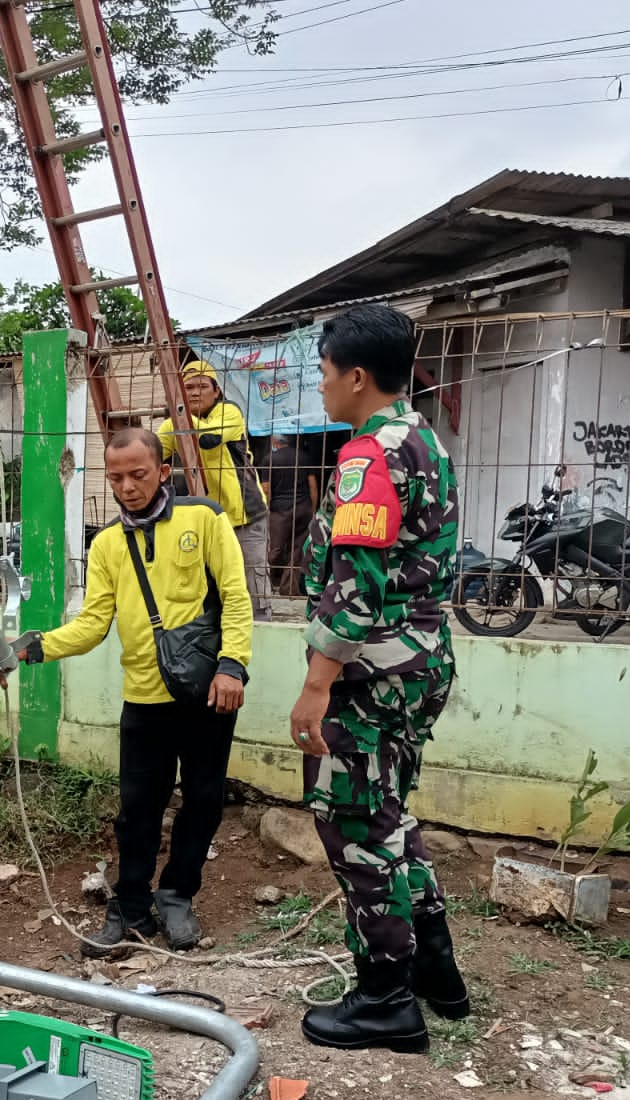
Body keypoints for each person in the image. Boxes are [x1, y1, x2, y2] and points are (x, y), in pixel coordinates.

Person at [287, 304, 466, 1055]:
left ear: (357, 377)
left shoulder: (370, 454)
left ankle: (385, 997)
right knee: (389, 812)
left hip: (371, 673)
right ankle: (436, 971)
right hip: (420, 660)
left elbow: (357, 583)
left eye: (324, 374)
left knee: (357, 823)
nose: (321, 389)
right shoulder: (426, 439)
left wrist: (318, 681)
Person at [17, 427, 252, 955]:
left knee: (204, 800)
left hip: (207, 692)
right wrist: (33, 648)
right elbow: (94, 623)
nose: (126, 486)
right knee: (136, 809)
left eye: (138, 474)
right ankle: (130, 906)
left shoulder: (205, 520)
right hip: (144, 696)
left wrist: (232, 665)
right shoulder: (106, 544)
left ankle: (176, 895)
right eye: (116, 477)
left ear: (162, 471)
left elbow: (237, 597)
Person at [157, 360, 274, 622]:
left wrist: (175, 421)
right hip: (206, 519)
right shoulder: (174, 424)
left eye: (201, 386)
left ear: (217, 391)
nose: (194, 392)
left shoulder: (229, 412)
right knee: (211, 581)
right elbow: (154, 454)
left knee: (252, 578)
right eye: (187, 388)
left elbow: (209, 439)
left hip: (245, 513)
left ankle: (261, 624)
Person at [265, 433, 321, 595]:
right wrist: (312, 509)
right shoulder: (303, 457)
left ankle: (266, 583)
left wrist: (266, 510)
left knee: (274, 549)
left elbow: (266, 488)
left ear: (275, 441)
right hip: (303, 508)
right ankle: (288, 589)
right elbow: (313, 486)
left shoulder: (270, 459)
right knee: (297, 551)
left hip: (279, 511)